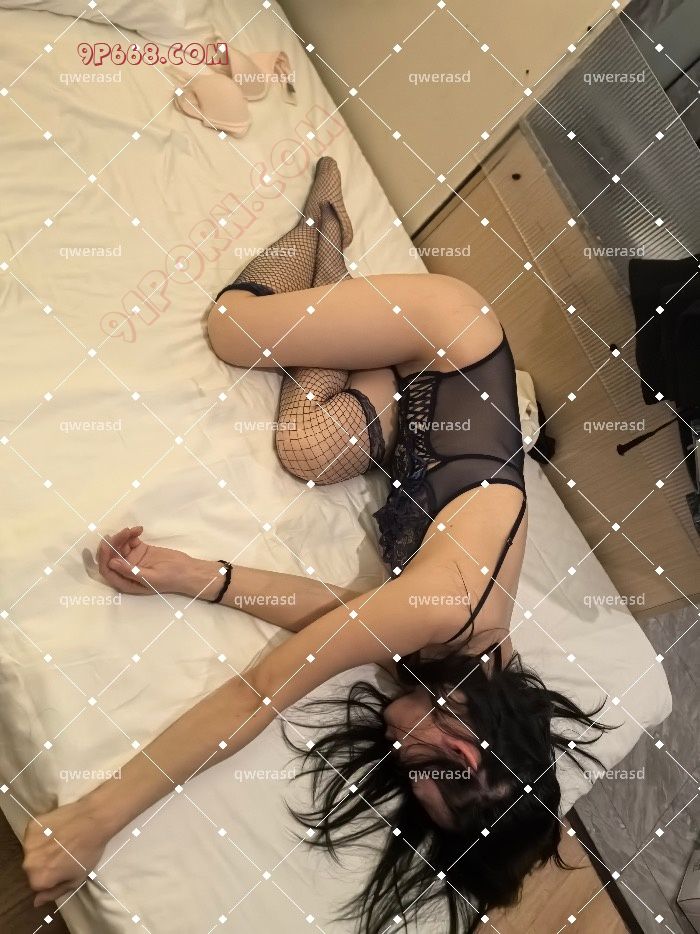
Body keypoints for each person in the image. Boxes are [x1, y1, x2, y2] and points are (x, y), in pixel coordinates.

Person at [22, 158, 608, 932]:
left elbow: (341, 616)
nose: (395, 750)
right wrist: (97, 818)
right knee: (231, 328)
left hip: (413, 421)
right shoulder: (453, 613)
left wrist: (198, 575)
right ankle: (322, 232)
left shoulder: (472, 670)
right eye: (417, 771)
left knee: (311, 448)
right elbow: (260, 690)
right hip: (448, 337)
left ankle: (339, 305)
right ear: (465, 754)